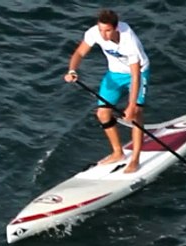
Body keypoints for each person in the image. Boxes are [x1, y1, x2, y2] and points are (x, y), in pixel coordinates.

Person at [64, 9, 150, 174]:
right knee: (103, 113)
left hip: (138, 72)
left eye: (108, 30)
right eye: (101, 29)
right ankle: (118, 153)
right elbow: (79, 53)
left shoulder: (129, 40)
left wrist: (131, 106)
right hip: (115, 74)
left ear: (116, 28)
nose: (103, 34)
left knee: (136, 113)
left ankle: (135, 159)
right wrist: (72, 70)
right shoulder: (94, 33)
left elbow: (135, 74)